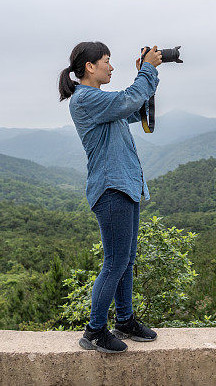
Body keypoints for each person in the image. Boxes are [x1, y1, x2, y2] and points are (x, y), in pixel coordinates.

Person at [58, 41, 162, 353]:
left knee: (126, 260)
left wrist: (145, 78)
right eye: (107, 61)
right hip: (110, 188)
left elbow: (131, 108)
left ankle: (125, 321)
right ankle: (94, 331)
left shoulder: (101, 101)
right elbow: (130, 97)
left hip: (125, 185)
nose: (111, 67)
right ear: (90, 66)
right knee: (115, 260)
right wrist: (148, 70)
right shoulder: (86, 98)